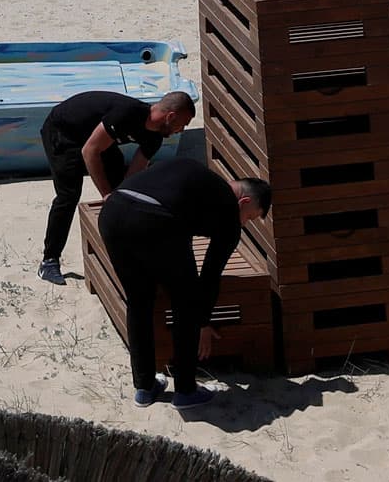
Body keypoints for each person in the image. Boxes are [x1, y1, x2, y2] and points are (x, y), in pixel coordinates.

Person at [96, 157, 270, 408]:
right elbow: (210, 275)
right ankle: (186, 391)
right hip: (156, 220)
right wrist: (203, 322)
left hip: (113, 212)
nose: (244, 224)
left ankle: (144, 388)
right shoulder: (229, 213)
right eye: (250, 218)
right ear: (243, 202)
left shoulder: (194, 174)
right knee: (185, 304)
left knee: (139, 301)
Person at [36, 89, 194, 284]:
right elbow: (90, 151)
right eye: (183, 124)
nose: (181, 130)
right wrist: (106, 194)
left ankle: (127, 250)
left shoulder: (155, 138)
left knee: (123, 192)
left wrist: (121, 197)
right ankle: (49, 262)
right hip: (63, 131)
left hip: (95, 138)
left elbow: (133, 175)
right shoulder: (127, 113)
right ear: (170, 116)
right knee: (69, 194)